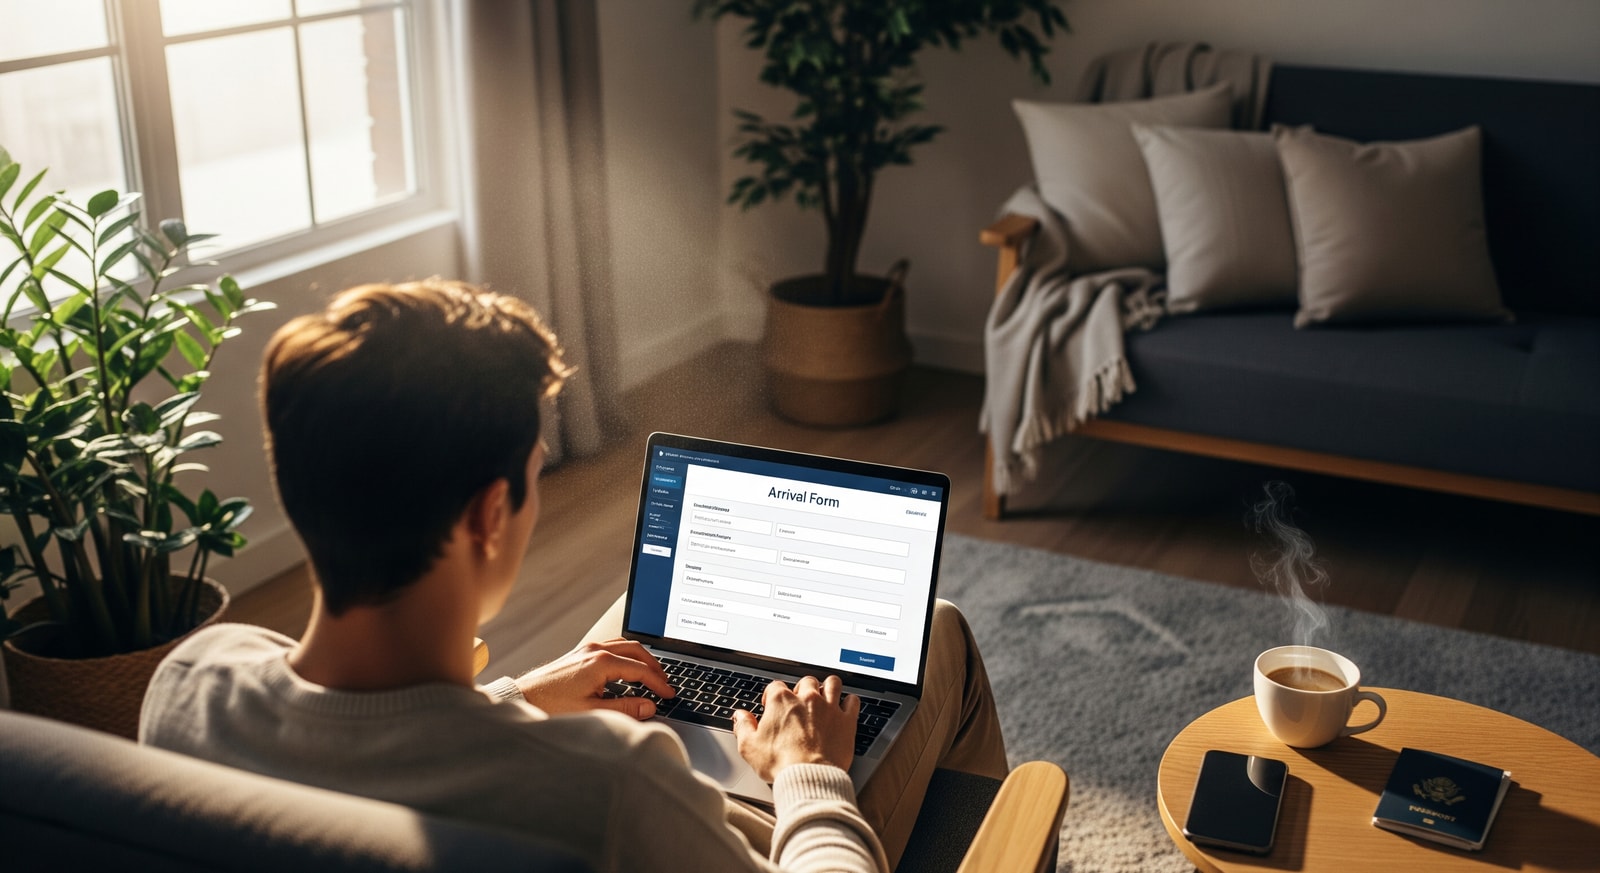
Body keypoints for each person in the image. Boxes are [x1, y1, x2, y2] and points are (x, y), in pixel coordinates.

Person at [140, 279, 1008, 873]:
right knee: (938, 628)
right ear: (490, 514)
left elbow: (376, 749)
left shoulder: (191, 687)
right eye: (536, 471)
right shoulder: (610, 783)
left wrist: (513, 700)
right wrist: (807, 773)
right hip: (743, 833)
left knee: (636, 622)